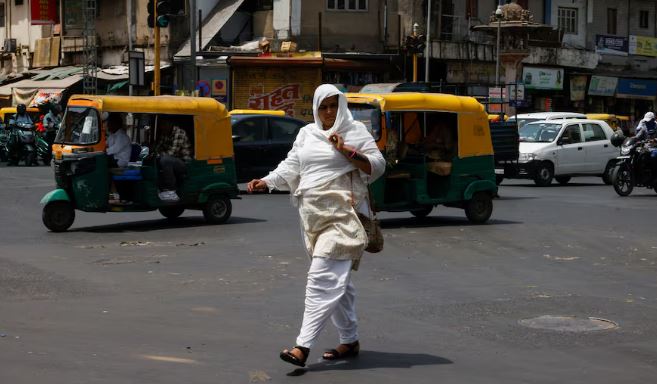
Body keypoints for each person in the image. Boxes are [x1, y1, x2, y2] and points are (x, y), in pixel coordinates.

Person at [246, 84, 385, 367]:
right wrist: (267, 181)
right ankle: (350, 340)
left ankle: (302, 346)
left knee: (322, 278)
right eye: (323, 106)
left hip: (344, 215)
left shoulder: (355, 131)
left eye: (334, 105)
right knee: (339, 282)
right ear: (316, 109)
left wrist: (346, 151)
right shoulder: (306, 134)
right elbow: (292, 165)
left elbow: (378, 165)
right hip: (312, 216)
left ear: (342, 106)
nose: (329, 111)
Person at [154, 118, 192, 202]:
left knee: (165, 160)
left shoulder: (179, 133)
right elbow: (158, 148)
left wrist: (159, 154)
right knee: (158, 160)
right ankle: (160, 188)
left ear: (169, 123)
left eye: (163, 124)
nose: (161, 127)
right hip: (172, 160)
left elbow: (172, 153)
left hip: (183, 163)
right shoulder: (165, 132)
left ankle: (171, 190)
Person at [106, 113, 132, 203]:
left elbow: (114, 150)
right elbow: (106, 146)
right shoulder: (112, 135)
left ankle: (111, 193)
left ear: (115, 124)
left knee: (103, 168)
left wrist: (104, 151)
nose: (107, 125)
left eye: (109, 123)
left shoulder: (122, 136)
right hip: (114, 160)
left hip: (121, 162)